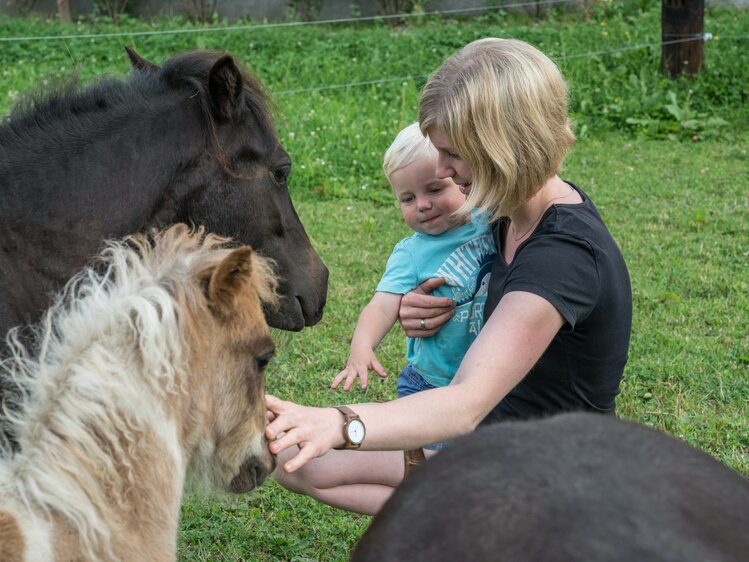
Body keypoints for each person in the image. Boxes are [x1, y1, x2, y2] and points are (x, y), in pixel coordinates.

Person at [265, 37, 632, 516]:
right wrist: (421, 307)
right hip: (489, 442)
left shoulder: (564, 254)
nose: (441, 169)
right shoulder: (506, 213)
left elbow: (465, 403)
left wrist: (341, 424)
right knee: (295, 462)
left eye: (452, 153)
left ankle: (492, 524)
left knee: (314, 456)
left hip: (545, 468)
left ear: (501, 145)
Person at [331, 123, 496, 456]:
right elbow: (381, 306)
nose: (422, 205)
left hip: (486, 382)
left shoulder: (490, 220)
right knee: (431, 472)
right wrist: (361, 347)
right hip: (430, 385)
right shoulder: (411, 254)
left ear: (463, 179)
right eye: (407, 198)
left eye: (434, 190)